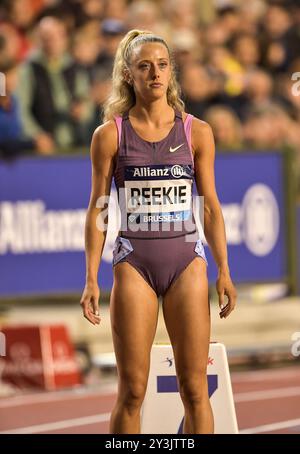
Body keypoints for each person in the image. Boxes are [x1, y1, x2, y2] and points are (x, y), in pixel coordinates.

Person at [80, 29, 237, 434]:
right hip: (134, 266)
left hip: (187, 263)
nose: (155, 74)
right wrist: (90, 277)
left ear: (171, 72)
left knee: (195, 390)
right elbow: (99, 208)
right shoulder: (110, 135)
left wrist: (224, 270)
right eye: (145, 66)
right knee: (132, 391)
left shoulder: (196, 131)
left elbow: (210, 205)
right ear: (128, 75)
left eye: (163, 65)